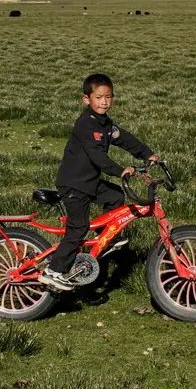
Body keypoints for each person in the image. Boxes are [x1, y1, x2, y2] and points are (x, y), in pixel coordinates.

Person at [38, 73, 158, 291]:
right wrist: (121, 171)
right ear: (86, 99)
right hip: (74, 184)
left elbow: (125, 139)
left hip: (89, 182)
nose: (105, 102)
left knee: (115, 196)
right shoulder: (85, 124)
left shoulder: (105, 124)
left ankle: (103, 240)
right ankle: (52, 271)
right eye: (99, 97)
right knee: (78, 227)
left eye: (109, 97)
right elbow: (98, 157)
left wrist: (147, 154)